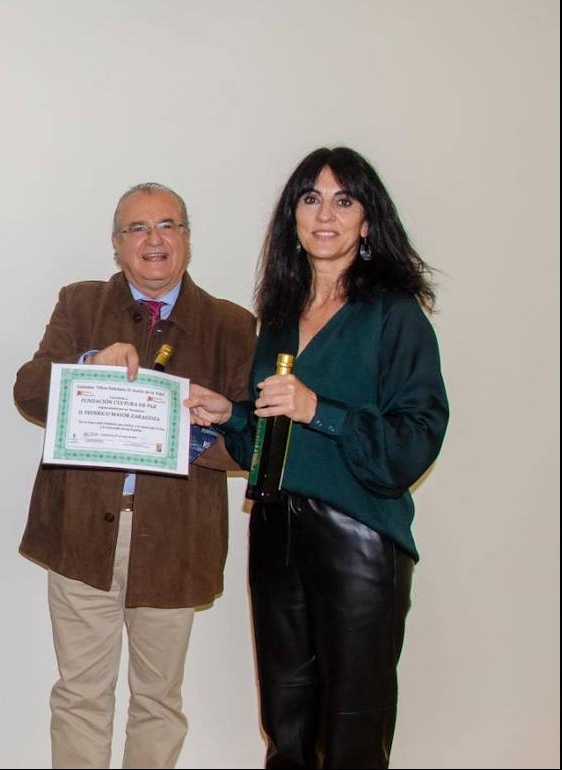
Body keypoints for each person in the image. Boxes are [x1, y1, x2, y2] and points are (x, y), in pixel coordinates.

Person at [188, 147, 449, 768]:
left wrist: (318, 410)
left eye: (343, 200)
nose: (324, 214)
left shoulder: (393, 316)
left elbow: (415, 440)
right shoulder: (277, 320)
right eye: (310, 199)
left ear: (368, 220)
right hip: (276, 530)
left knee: (352, 727)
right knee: (286, 721)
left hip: (359, 536)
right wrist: (232, 415)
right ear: (292, 219)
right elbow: (268, 443)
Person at [14, 182, 257, 768]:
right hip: (80, 535)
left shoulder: (231, 324)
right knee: (80, 697)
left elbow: (254, 444)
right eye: (138, 229)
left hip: (176, 542)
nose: (154, 240)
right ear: (116, 245)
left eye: (168, 226)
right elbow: (28, 390)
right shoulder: (80, 304)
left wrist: (208, 430)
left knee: (159, 700)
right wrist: (84, 367)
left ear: (188, 239)